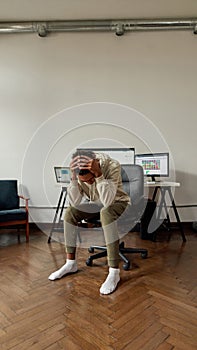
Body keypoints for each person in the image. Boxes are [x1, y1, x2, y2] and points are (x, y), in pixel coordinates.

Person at [48, 149, 130, 294]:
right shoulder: (79, 173)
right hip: (97, 203)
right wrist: (73, 179)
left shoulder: (112, 166)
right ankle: (70, 263)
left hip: (118, 202)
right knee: (70, 213)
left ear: (95, 165)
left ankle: (114, 272)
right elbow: (75, 202)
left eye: (91, 179)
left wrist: (98, 175)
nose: (90, 183)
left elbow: (107, 202)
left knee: (105, 212)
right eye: (86, 182)